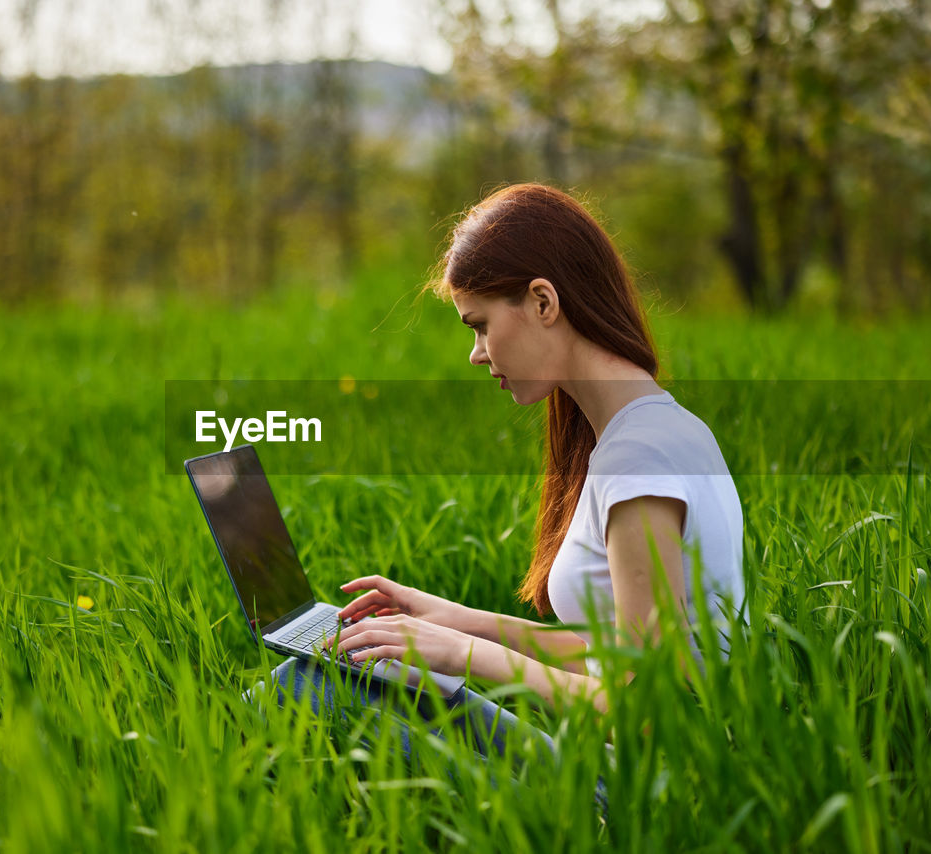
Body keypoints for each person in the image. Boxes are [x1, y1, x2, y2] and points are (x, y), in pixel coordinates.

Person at [247, 183, 745, 807]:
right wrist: (456, 622)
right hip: (631, 773)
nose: (476, 354)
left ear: (542, 301)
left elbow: (651, 710)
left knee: (304, 689)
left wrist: (464, 653)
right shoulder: (658, 429)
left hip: (646, 802)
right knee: (354, 674)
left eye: (480, 326)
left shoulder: (637, 461)